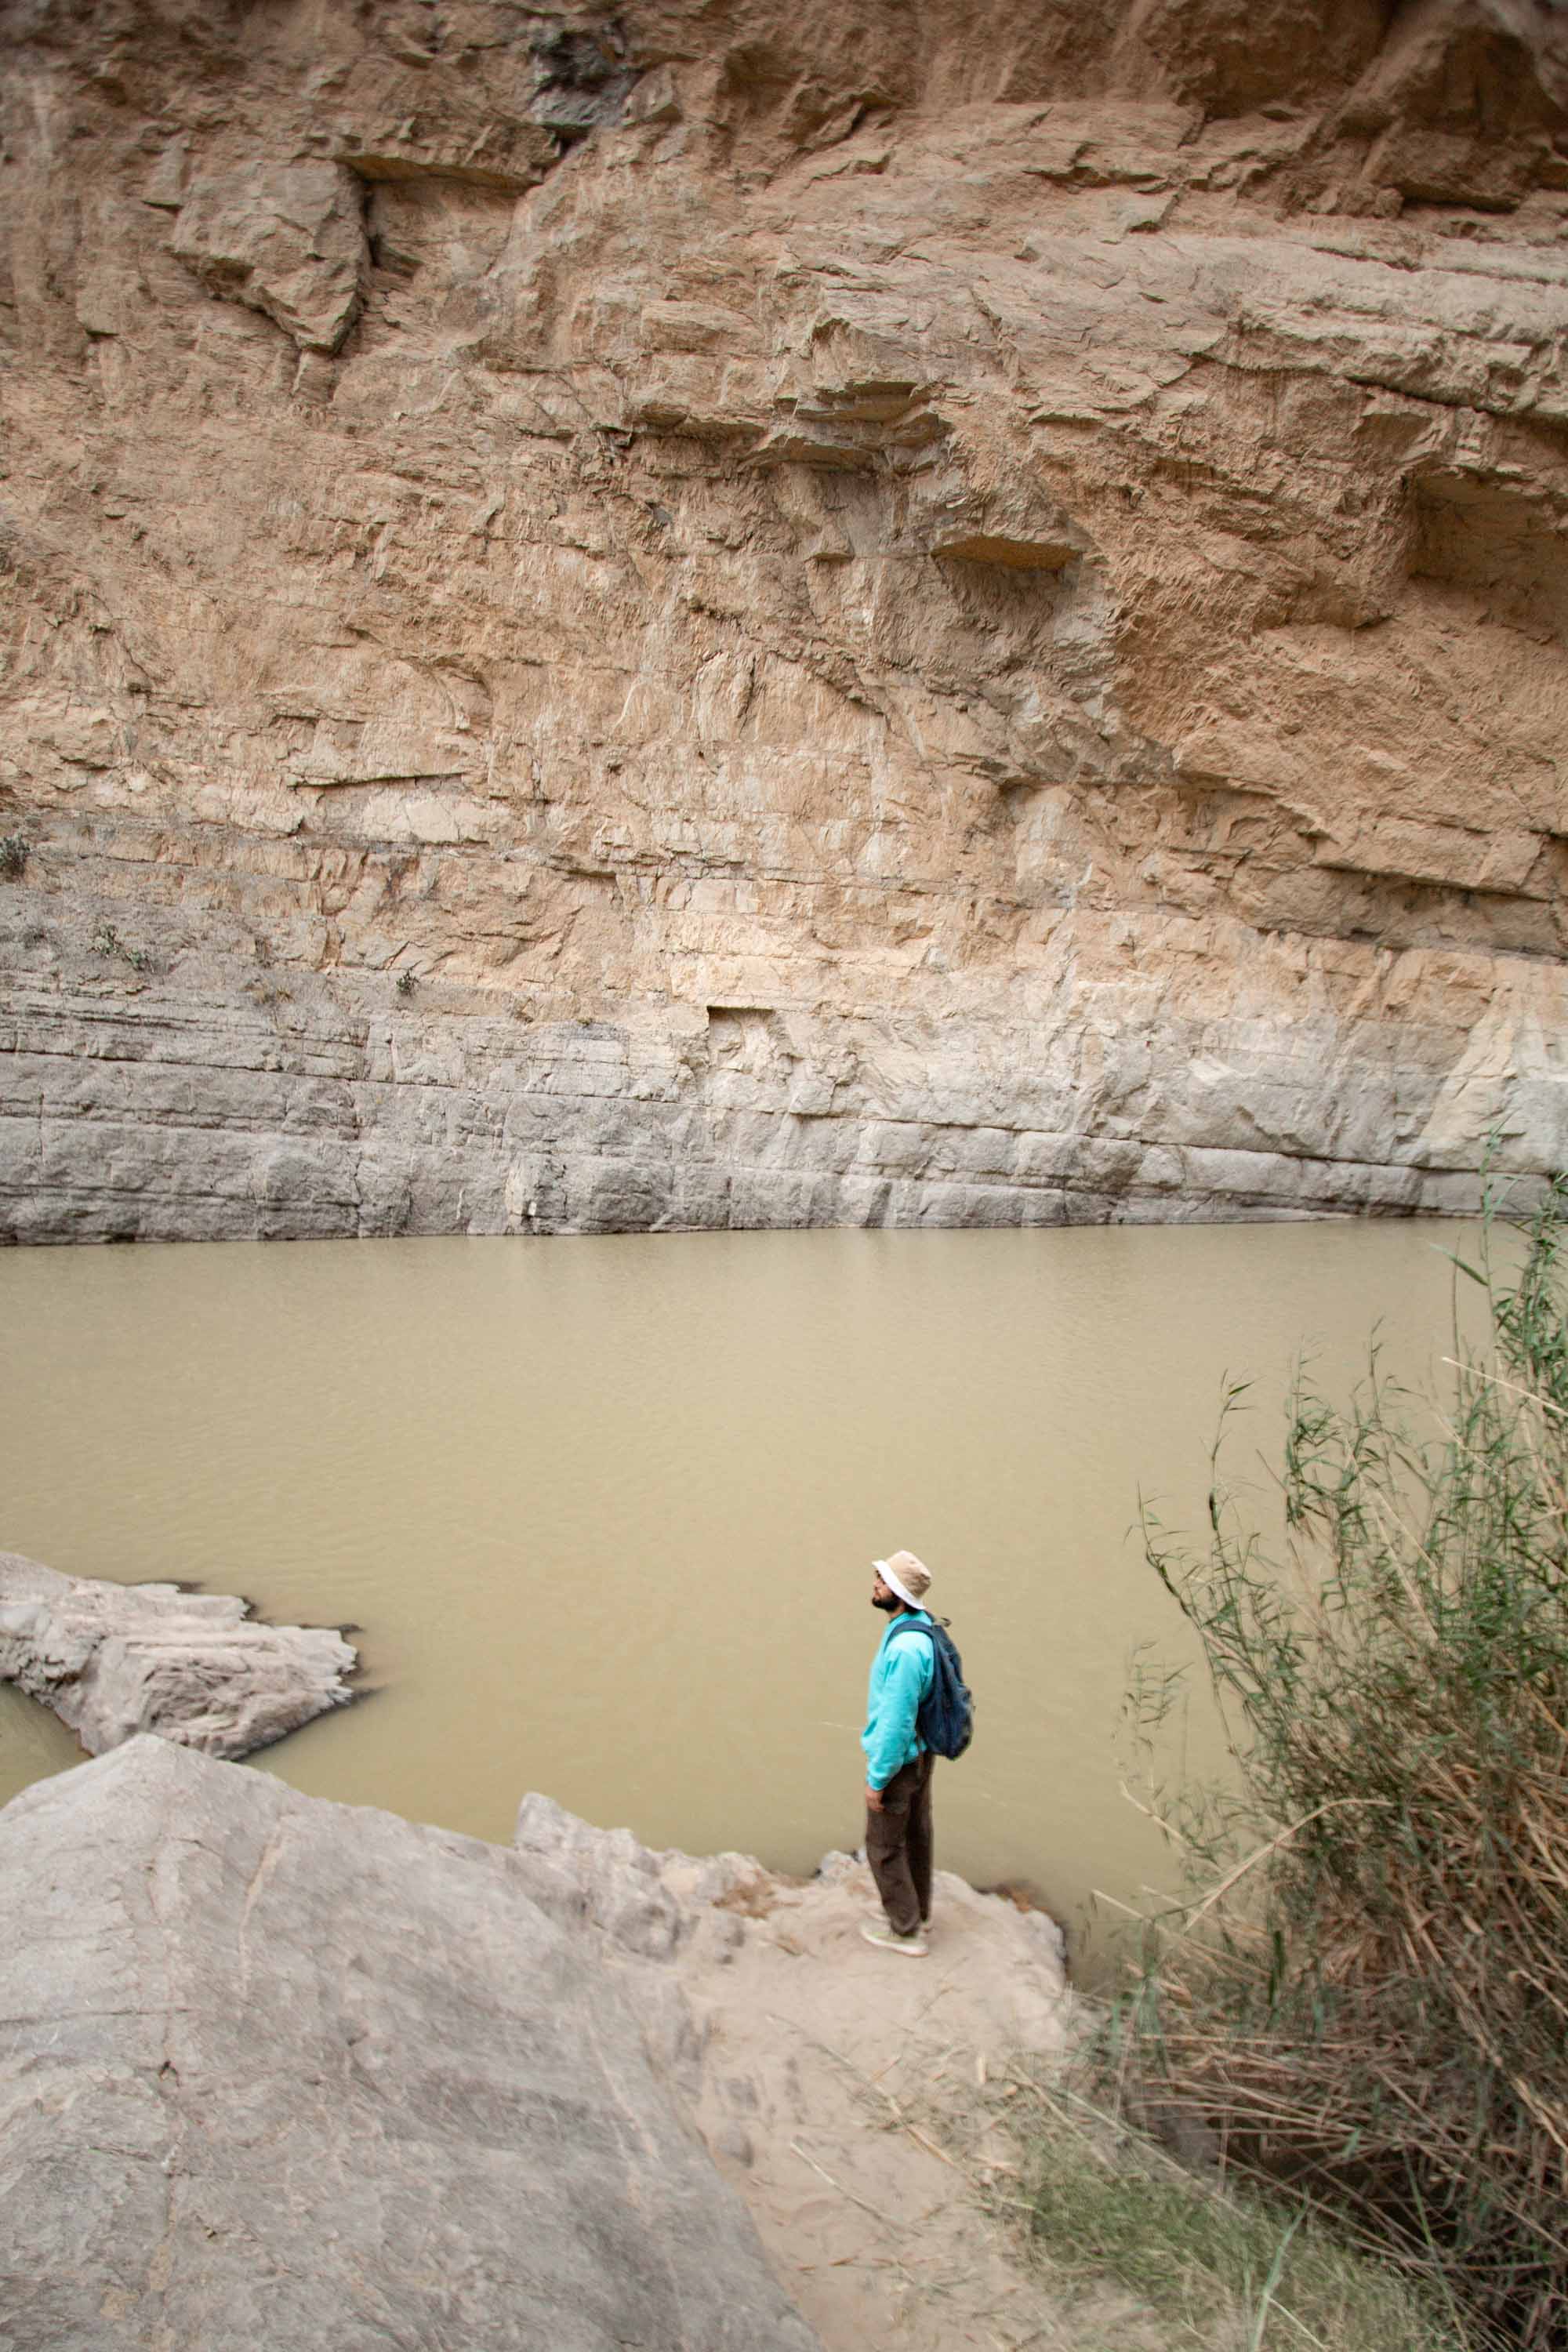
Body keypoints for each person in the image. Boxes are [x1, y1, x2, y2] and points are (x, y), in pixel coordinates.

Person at [859, 1549, 937, 1958]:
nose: (875, 1584)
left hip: (902, 1762)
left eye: (883, 1581)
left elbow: (895, 1723)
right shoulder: (919, 1627)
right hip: (923, 1755)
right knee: (916, 1835)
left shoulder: (906, 1650)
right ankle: (918, 1912)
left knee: (884, 1847)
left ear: (900, 1593)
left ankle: (905, 1931)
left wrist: (878, 1779)